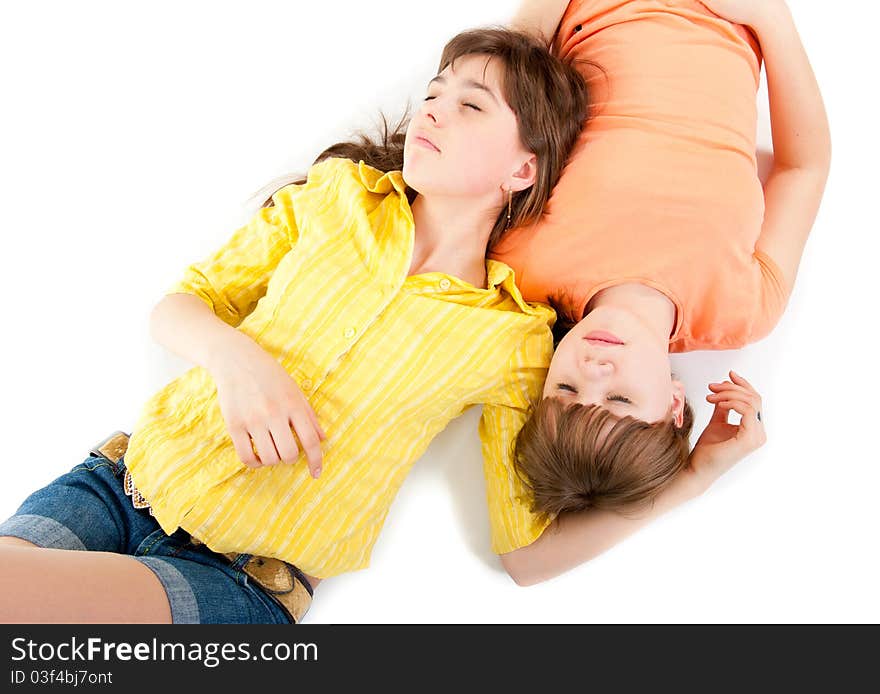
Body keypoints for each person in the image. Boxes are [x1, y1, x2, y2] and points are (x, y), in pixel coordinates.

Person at [0, 27, 590, 623]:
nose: (433, 111)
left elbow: (527, 555)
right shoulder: (335, 198)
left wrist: (688, 479)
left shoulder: (510, 335)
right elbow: (181, 306)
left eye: (470, 105)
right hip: (117, 489)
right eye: (434, 94)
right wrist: (238, 361)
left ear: (523, 170)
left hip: (239, 582)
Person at [491, 0, 830, 585]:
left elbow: (515, 77)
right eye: (620, 399)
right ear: (675, 404)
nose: (595, 367)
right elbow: (804, 168)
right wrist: (773, 19)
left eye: (567, 387)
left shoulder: (520, 268)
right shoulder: (741, 309)